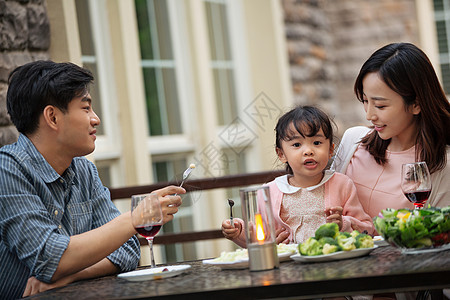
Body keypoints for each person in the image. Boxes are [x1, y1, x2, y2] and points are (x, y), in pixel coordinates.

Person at [0, 60, 186, 299]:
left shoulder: (84, 171)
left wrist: (72, 276)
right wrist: (135, 218)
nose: (95, 119)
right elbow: (48, 259)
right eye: (86, 108)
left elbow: (127, 249)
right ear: (52, 117)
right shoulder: (8, 170)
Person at [222, 105, 374, 248]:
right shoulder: (269, 191)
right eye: (296, 145)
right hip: (289, 269)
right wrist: (239, 231)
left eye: (317, 142)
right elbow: (260, 237)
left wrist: (343, 224)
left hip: (332, 263)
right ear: (281, 154)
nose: (308, 151)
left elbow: (367, 228)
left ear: (330, 150)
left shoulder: (341, 184)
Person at [332, 42, 450, 218]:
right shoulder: (353, 141)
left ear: (416, 104)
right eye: (365, 101)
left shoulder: (442, 164)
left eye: (380, 105)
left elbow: (436, 236)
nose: (369, 115)